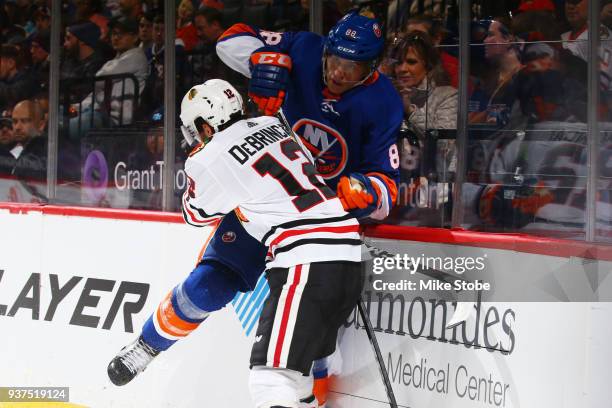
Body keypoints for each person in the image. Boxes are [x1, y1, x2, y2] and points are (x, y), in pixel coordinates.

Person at [108, 11, 402, 408]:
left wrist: (369, 191)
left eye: (353, 66)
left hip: (314, 212)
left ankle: (302, 386)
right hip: (262, 204)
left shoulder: (384, 102)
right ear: (326, 49)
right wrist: (261, 61)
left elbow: (387, 185)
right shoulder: (304, 48)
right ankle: (145, 347)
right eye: (334, 59)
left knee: (302, 354)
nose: (338, 72)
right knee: (211, 284)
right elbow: (230, 40)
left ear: (372, 67)